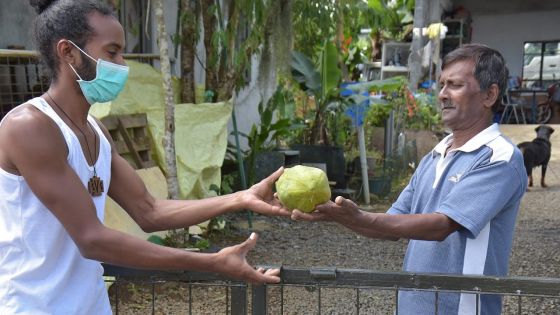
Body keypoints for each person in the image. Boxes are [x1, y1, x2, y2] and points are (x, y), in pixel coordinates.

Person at [0, 1, 290, 314]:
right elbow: (92, 239)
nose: (122, 64)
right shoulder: (30, 127)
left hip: (90, 304)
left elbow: (149, 210)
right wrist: (212, 262)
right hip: (34, 306)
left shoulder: (96, 131)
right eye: (111, 53)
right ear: (68, 52)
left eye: (122, 52)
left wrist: (241, 198)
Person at [292, 44, 527, 314]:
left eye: (455, 85)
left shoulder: (499, 157)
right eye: (441, 85)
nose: (442, 95)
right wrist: (338, 215)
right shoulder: (434, 156)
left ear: (489, 95)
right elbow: (390, 225)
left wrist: (361, 217)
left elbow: (442, 225)